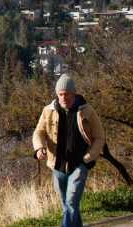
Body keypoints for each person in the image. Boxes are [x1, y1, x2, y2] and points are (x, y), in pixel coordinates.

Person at [33, 74, 106, 227]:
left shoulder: (87, 110)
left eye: (67, 94)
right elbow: (39, 132)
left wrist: (88, 157)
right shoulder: (48, 111)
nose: (63, 97)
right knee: (67, 205)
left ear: (74, 93)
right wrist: (39, 148)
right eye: (60, 94)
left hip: (79, 164)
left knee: (71, 201)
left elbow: (99, 137)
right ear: (57, 94)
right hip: (57, 164)